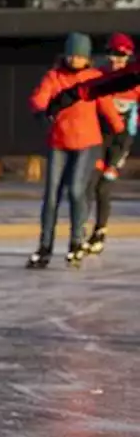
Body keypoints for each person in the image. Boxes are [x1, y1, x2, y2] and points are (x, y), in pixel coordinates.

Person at [26, 33, 124, 268]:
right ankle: (45, 247)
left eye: (79, 56)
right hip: (58, 143)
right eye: (71, 54)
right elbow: (39, 97)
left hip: (87, 144)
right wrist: (40, 111)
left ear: (87, 57)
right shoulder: (54, 76)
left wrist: (120, 132)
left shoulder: (93, 79)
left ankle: (76, 242)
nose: (74, 60)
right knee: (51, 196)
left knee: (77, 192)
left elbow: (108, 108)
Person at [86, 33, 138, 254]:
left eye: (120, 55)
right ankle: (83, 230)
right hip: (100, 138)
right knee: (91, 185)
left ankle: (100, 231)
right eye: (111, 54)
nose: (115, 59)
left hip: (122, 141)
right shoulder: (101, 75)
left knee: (105, 185)